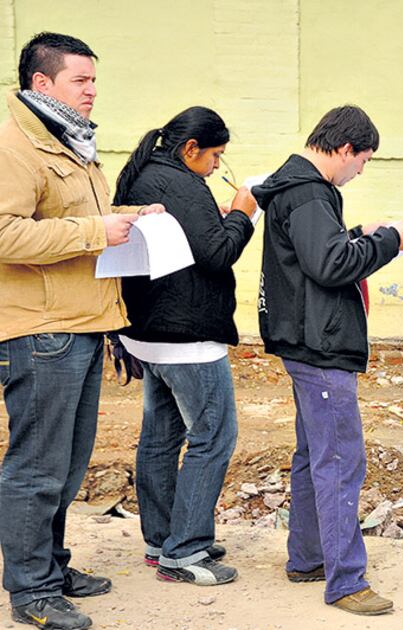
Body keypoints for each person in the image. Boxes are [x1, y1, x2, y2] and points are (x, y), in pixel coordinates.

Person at [0, 32, 163, 630]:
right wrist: (97, 232)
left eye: (94, 80)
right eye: (80, 80)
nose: (92, 91)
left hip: (84, 323)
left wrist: (127, 220)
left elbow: (80, 220)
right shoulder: (15, 147)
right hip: (41, 330)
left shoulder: (68, 141)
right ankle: (32, 591)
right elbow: (4, 235)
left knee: (67, 465)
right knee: (37, 466)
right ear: (42, 84)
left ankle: (51, 566)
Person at [252, 105, 403, 616]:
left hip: (304, 339)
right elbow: (329, 266)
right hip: (321, 345)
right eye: (363, 160)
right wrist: (390, 241)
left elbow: (313, 254)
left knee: (314, 454)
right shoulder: (308, 193)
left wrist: (359, 232)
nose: (361, 170)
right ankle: (346, 580)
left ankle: (308, 557)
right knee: (342, 460)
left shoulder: (297, 188)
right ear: (344, 149)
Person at [113, 106, 257, 586]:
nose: (218, 166)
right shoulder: (182, 183)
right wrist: (241, 213)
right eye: (215, 156)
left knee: (160, 437)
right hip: (187, 337)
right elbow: (218, 253)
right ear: (190, 149)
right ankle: (187, 552)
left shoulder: (143, 175)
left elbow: (190, 239)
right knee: (214, 436)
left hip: (146, 333)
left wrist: (214, 220)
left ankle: (163, 539)